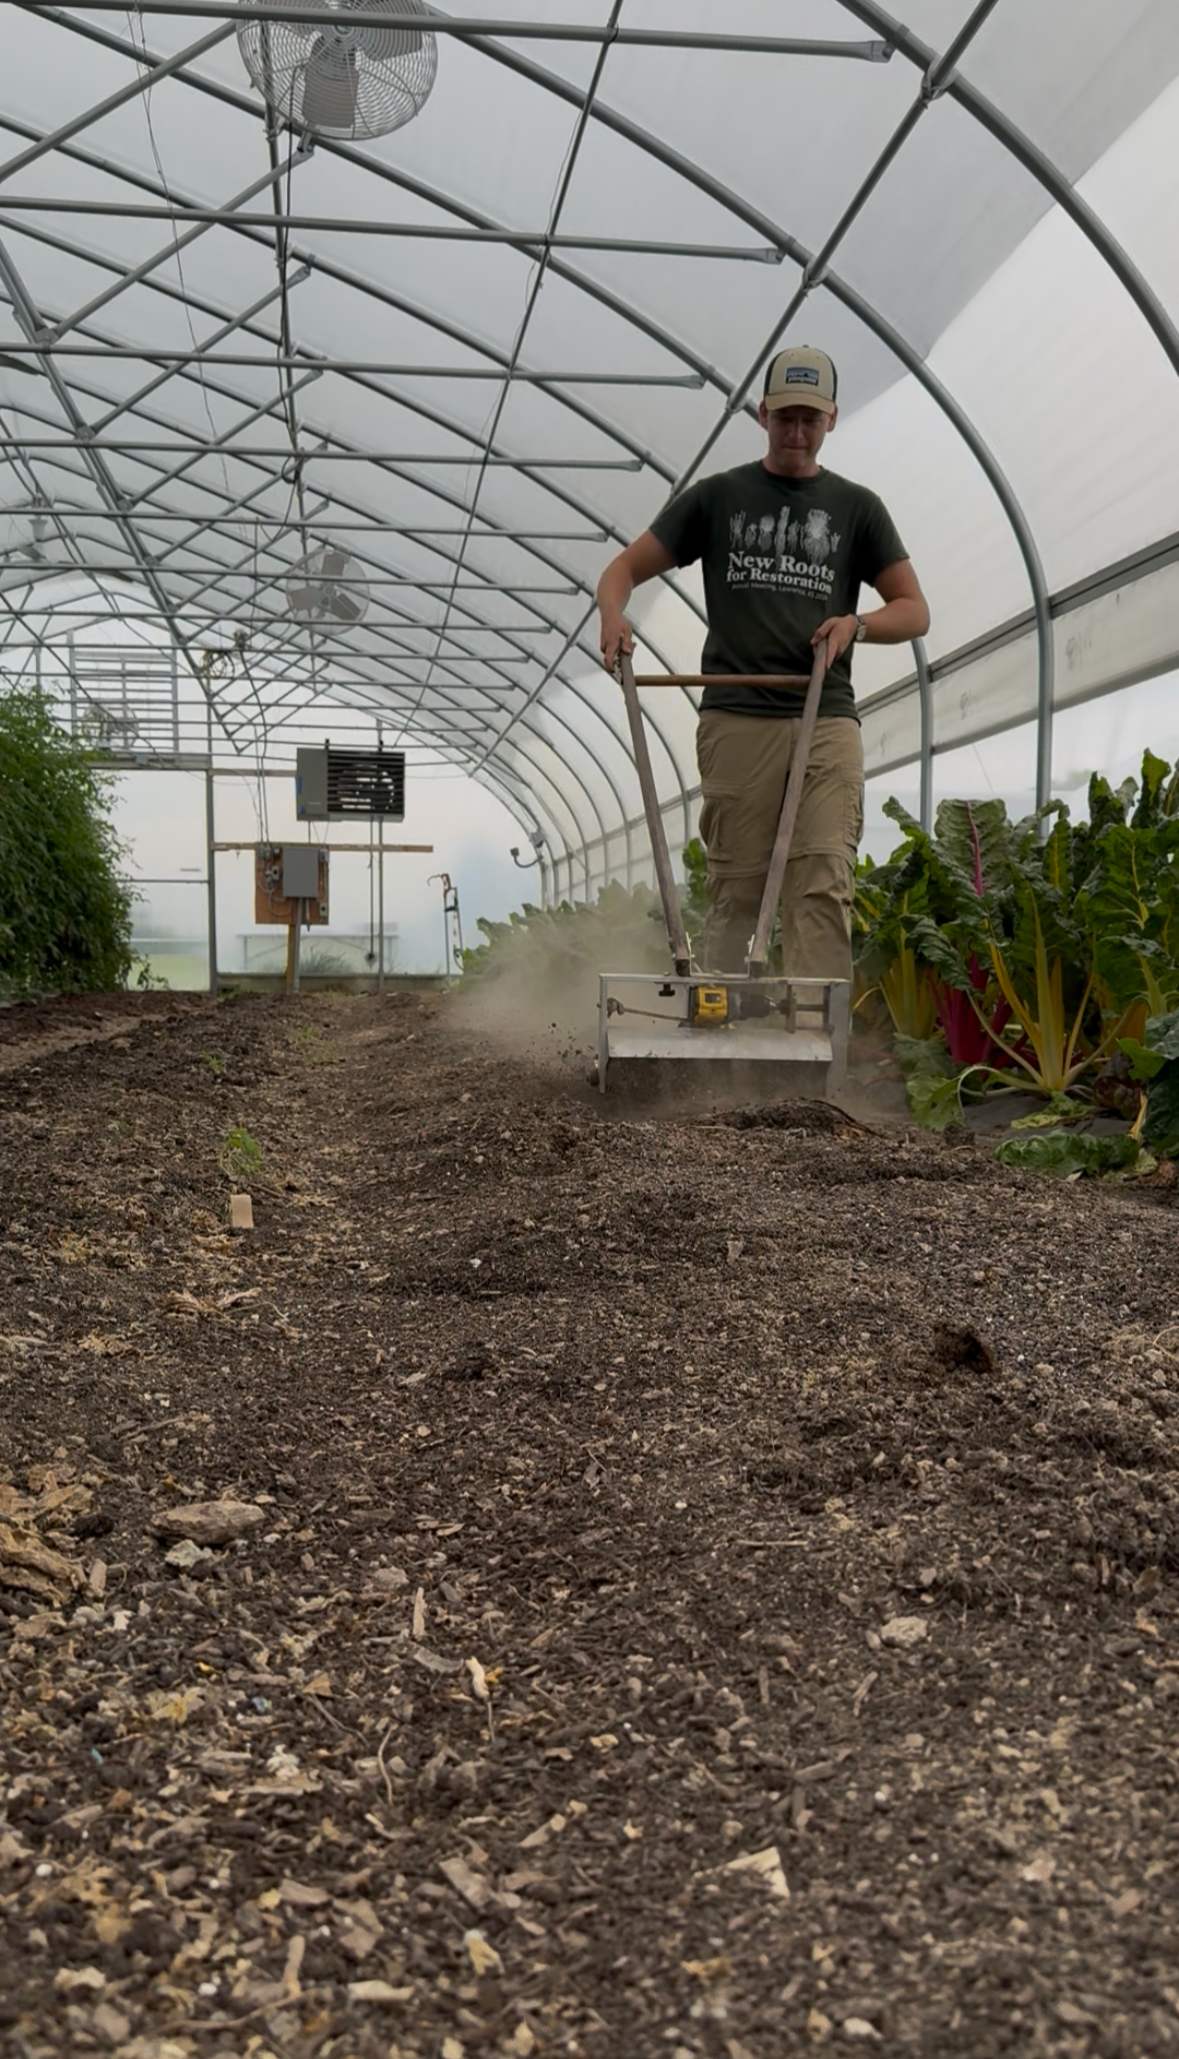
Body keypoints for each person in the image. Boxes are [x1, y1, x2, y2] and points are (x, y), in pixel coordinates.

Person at [596, 345, 929, 982]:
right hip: (737, 716)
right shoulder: (719, 498)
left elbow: (914, 610)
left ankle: (814, 1046)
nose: (796, 433)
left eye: (810, 418)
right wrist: (614, 613)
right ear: (761, 415)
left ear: (832, 418)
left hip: (824, 712)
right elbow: (622, 570)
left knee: (821, 880)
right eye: (784, 418)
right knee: (739, 890)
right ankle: (722, 1036)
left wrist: (858, 624)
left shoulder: (858, 511)